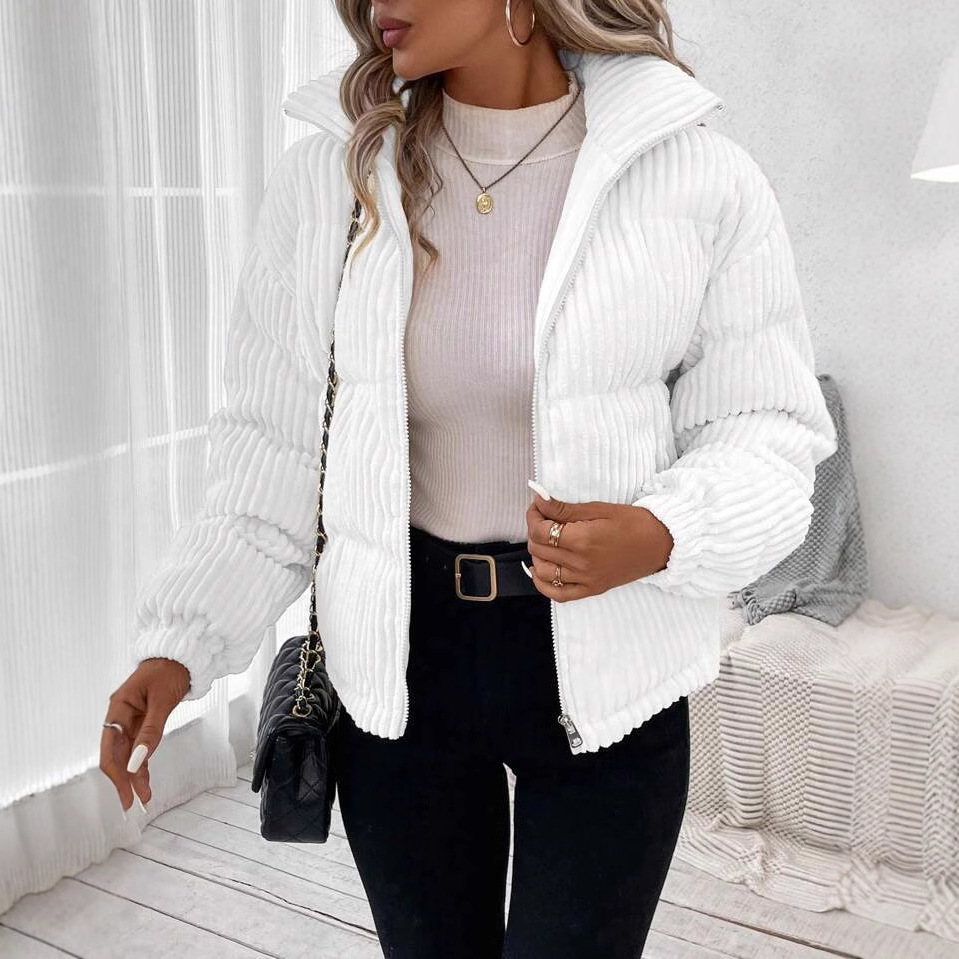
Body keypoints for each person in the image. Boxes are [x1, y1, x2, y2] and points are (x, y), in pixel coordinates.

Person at [100, 1, 839, 956]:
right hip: (401, 665)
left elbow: (767, 427)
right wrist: (181, 643)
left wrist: (663, 530)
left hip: (612, 663)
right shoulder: (331, 181)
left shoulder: (695, 176)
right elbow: (275, 447)